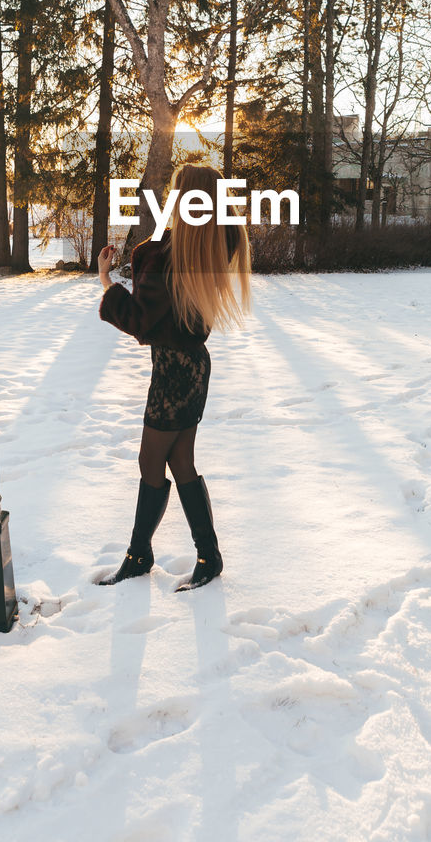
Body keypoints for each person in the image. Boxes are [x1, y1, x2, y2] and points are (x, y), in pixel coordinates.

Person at [96, 162, 252, 591]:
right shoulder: (206, 249)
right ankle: (207, 556)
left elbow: (143, 321)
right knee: (179, 460)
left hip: (172, 374)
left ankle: (140, 555)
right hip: (191, 368)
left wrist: (106, 279)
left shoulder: (171, 257)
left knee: (151, 461)